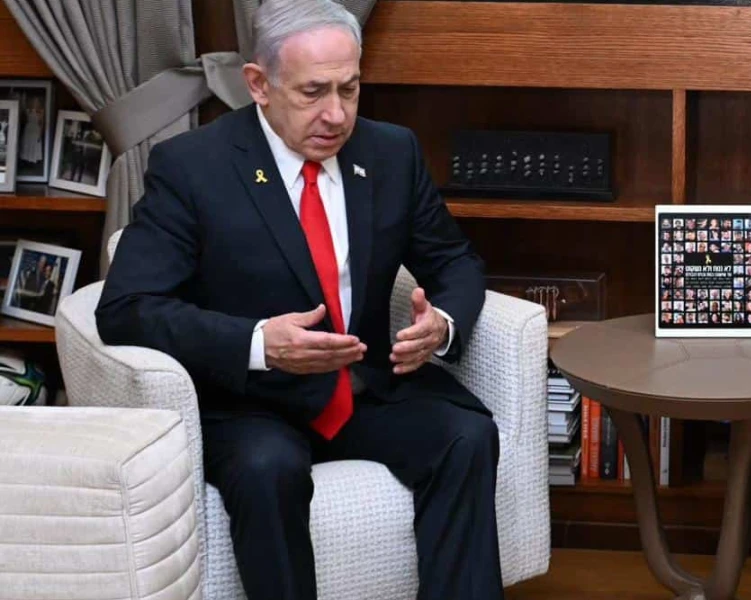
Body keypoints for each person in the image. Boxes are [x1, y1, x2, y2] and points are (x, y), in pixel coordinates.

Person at [95, 1, 502, 598]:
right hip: (251, 401)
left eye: (350, 89)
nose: (336, 114)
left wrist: (440, 325)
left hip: (366, 389)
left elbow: (455, 260)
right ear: (258, 84)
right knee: (269, 469)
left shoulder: (391, 153)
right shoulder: (192, 167)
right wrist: (258, 343)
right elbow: (126, 307)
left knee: (465, 436)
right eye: (313, 92)